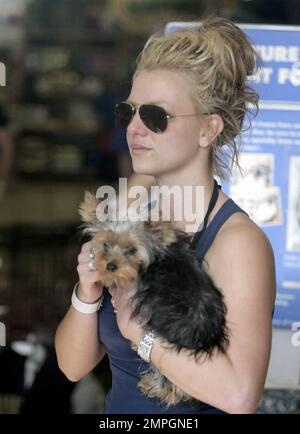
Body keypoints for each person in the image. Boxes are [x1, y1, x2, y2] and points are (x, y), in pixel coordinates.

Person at [55, 16, 276, 414]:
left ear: (209, 129)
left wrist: (140, 333)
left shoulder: (237, 244)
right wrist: (86, 295)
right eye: (129, 113)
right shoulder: (128, 225)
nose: (136, 129)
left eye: (156, 117)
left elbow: (239, 396)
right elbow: (72, 367)